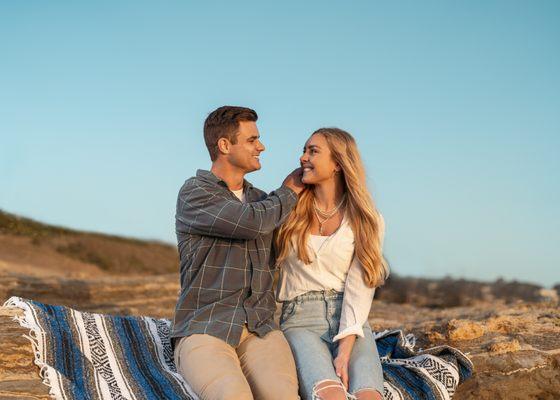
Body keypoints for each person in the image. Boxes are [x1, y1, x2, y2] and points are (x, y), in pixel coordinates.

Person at [171, 105, 304, 400]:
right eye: (252, 139)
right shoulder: (195, 193)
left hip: (261, 329)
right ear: (224, 145)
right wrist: (291, 190)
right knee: (232, 395)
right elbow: (251, 223)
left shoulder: (263, 201)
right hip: (205, 326)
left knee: (282, 396)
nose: (262, 146)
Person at [275, 128, 389, 400]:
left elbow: (361, 287)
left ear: (338, 163)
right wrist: (284, 191)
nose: (303, 157)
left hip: (351, 323)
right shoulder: (289, 211)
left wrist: (345, 349)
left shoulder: (367, 218)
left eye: (313, 151)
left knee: (369, 396)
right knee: (330, 395)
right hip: (300, 319)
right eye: (304, 150)